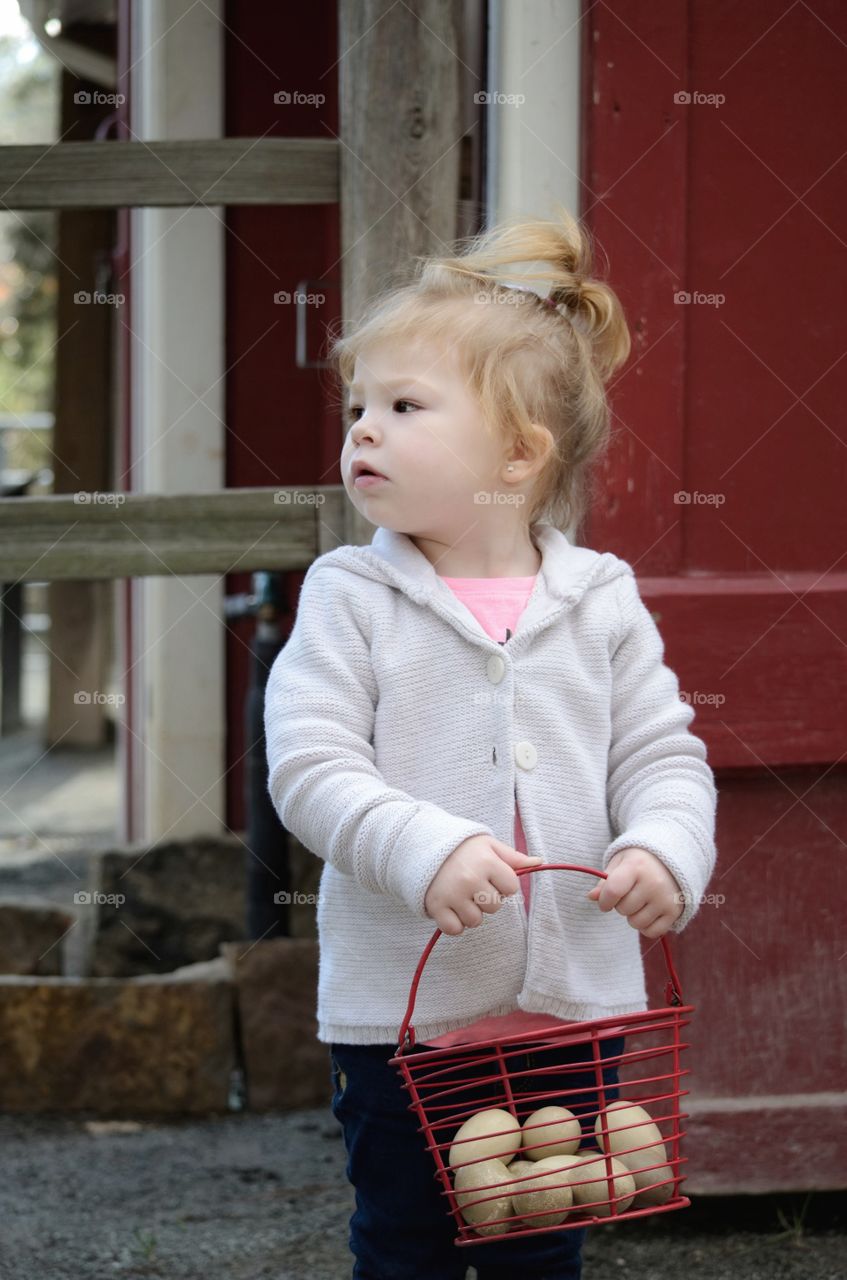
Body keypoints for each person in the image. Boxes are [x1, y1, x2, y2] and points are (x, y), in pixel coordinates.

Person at [263, 205, 718, 1280]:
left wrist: (665, 847)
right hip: (403, 1012)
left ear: (516, 456)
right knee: (405, 1236)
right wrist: (421, 844)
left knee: (539, 1233)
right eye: (357, 405)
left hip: (570, 1002)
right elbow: (310, 765)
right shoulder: (351, 595)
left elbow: (662, 754)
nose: (361, 429)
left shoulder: (597, 597)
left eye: (403, 405)